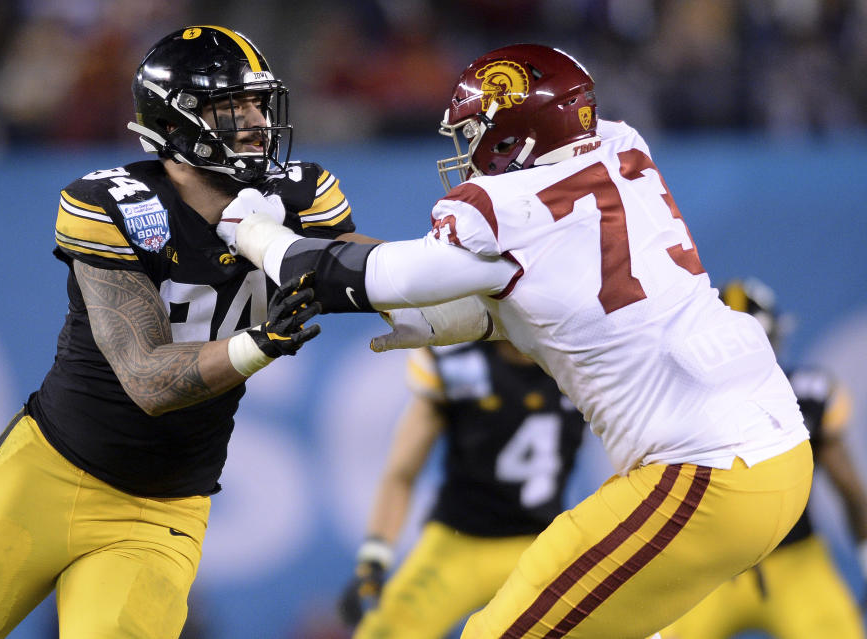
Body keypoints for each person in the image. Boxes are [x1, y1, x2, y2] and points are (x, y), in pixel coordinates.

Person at [224, 44, 815, 638]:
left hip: (704, 472)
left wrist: (247, 229)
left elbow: (351, 277)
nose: (468, 148)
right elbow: (556, 291)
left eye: (477, 130)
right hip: (777, 454)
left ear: (519, 136)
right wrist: (454, 318)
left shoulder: (502, 209)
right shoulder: (621, 146)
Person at [0, 25, 364, 639]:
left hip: (160, 508)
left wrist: (468, 268)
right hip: (47, 474)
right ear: (176, 125)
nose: (257, 120)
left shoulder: (299, 194)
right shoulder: (116, 205)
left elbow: (381, 274)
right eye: (233, 106)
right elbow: (147, 377)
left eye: (259, 102)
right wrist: (257, 345)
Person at [660, 278, 867, 639]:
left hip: (736, 567)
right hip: (716, 571)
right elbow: (848, 487)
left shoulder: (676, 406)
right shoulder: (806, 391)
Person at [337, 341, 587, 637]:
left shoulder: (581, 358)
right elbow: (402, 472)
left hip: (540, 546)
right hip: (459, 542)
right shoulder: (457, 360)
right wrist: (374, 557)